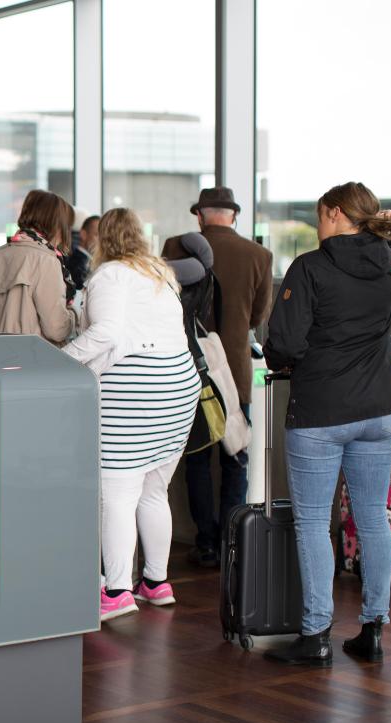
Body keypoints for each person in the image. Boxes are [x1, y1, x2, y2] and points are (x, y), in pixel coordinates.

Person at [262, 183, 391, 667]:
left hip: (321, 411)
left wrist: (285, 360)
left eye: (321, 214)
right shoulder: (389, 261)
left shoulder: (310, 267)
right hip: (381, 411)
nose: (318, 223)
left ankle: (316, 635)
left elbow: (282, 341)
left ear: (336, 213)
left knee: (311, 524)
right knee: (371, 519)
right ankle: (373, 630)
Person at [63, 208, 201, 621]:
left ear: (101, 238)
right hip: (180, 385)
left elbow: (107, 332)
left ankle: (118, 590)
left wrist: (63, 360)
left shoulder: (110, 274)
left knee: (118, 493)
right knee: (153, 490)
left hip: (137, 388)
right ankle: (155, 583)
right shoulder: (159, 274)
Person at [163, 187, 273, 568]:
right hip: (234, 372)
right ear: (234, 216)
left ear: (199, 216)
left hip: (187, 368)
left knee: (195, 459)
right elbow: (259, 316)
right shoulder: (259, 255)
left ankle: (205, 542)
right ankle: (233, 542)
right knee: (234, 456)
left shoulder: (175, 248)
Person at [0, 189, 76, 344]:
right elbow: (56, 330)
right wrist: (74, 314)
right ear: (58, 224)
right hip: (34, 362)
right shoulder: (46, 261)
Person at [66, 215, 99, 295]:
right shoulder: (77, 265)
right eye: (97, 235)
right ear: (83, 234)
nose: (101, 240)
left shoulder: (88, 262)